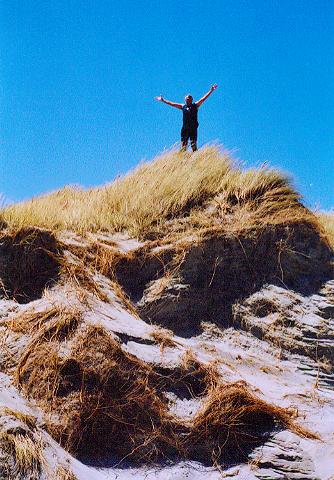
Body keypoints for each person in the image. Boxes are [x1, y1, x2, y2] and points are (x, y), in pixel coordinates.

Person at [155, 84, 218, 152]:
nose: (188, 100)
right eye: (187, 99)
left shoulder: (195, 105)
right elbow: (172, 104)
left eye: (190, 99)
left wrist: (211, 90)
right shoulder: (183, 106)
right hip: (185, 128)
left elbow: (203, 99)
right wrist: (163, 100)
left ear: (192, 100)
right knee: (184, 145)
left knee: (193, 145)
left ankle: (196, 158)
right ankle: (183, 159)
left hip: (193, 128)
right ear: (185, 100)